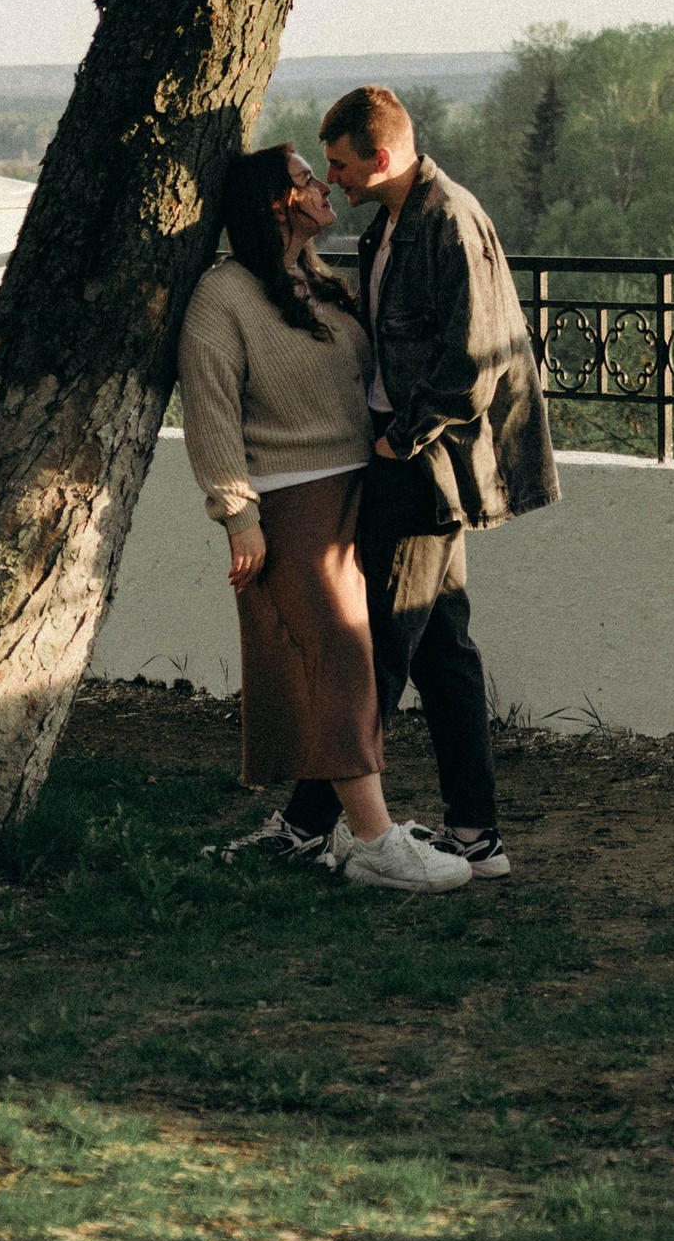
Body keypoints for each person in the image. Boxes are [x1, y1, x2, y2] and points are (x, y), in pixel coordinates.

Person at [177, 144, 475, 896]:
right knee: (339, 659)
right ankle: (374, 842)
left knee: (371, 661)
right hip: (291, 500)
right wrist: (237, 514)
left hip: (363, 492)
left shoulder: (317, 280)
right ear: (274, 202)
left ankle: (312, 833)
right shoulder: (224, 294)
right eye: (307, 179)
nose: (322, 187)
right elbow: (208, 408)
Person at [319, 84, 559, 876]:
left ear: (380, 156)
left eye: (343, 166)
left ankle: (317, 822)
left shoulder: (447, 220)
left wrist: (399, 439)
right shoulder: (388, 224)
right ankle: (475, 835)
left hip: (422, 466)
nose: (335, 182)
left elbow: (474, 359)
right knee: (444, 649)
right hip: (412, 461)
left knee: (380, 646)